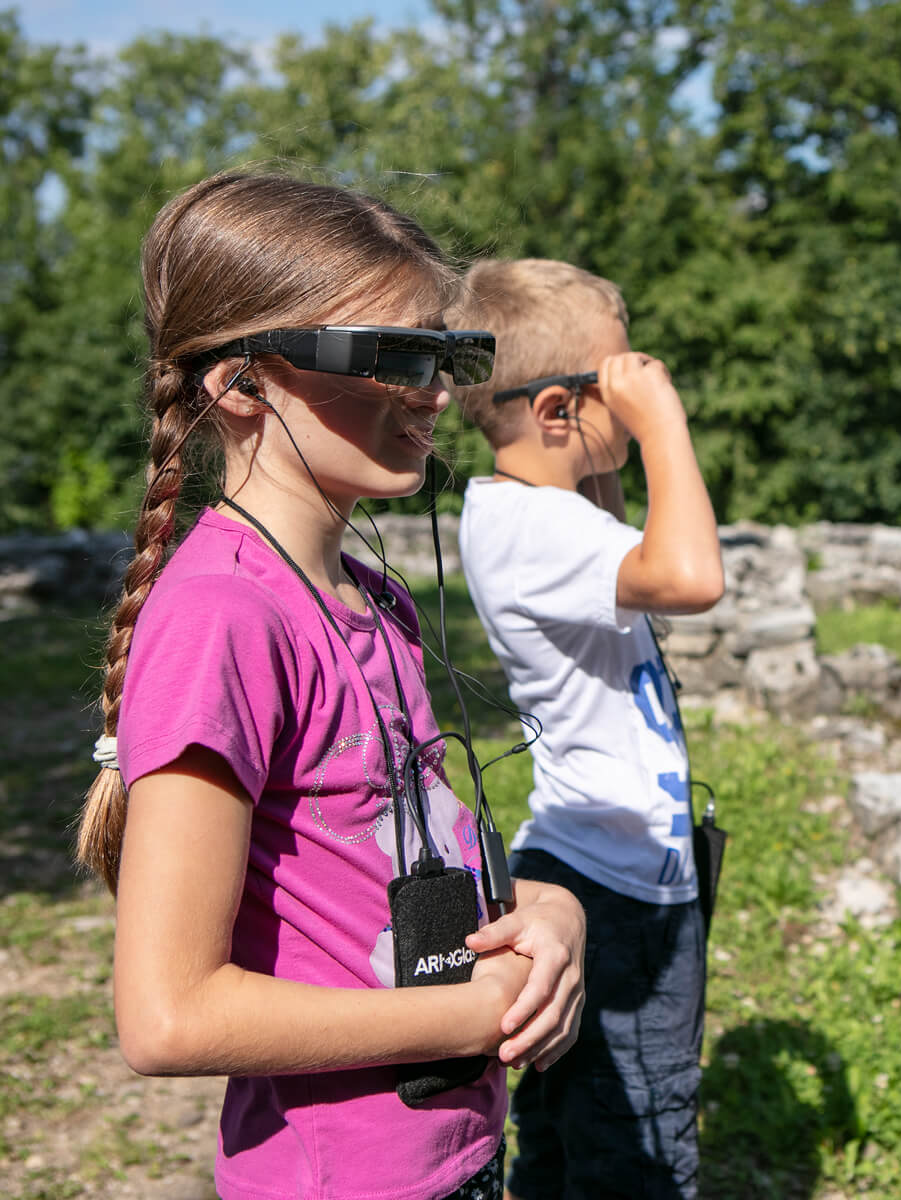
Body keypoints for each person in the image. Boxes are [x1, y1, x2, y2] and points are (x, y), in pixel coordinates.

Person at [73, 172, 587, 1200]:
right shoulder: (226, 617)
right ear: (242, 382)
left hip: (454, 1153)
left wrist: (549, 908)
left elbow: (397, 862)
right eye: (392, 354)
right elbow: (167, 1017)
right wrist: (467, 1016)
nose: (435, 389)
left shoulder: (371, 601)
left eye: (447, 352)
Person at [447, 258, 725, 1199]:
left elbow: (632, 545)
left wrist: (613, 428)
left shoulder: (539, 515)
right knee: (638, 1140)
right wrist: (664, 427)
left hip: (592, 866)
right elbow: (691, 577)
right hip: (612, 885)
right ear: (560, 409)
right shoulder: (533, 530)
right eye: (619, 379)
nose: (638, 389)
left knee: (568, 1125)